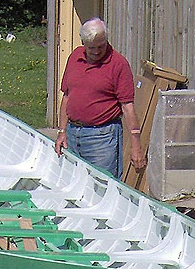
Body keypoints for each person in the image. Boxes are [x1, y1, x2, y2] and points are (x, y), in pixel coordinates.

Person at [55, 18, 146, 179]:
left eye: (101, 46)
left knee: (101, 184)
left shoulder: (118, 64)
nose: (97, 51)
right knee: (73, 183)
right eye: (91, 48)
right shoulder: (75, 57)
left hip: (102, 137)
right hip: (72, 133)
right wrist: (62, 131)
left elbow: (127, 106)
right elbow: (67, 96)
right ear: (83, 43)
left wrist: (136, 144)